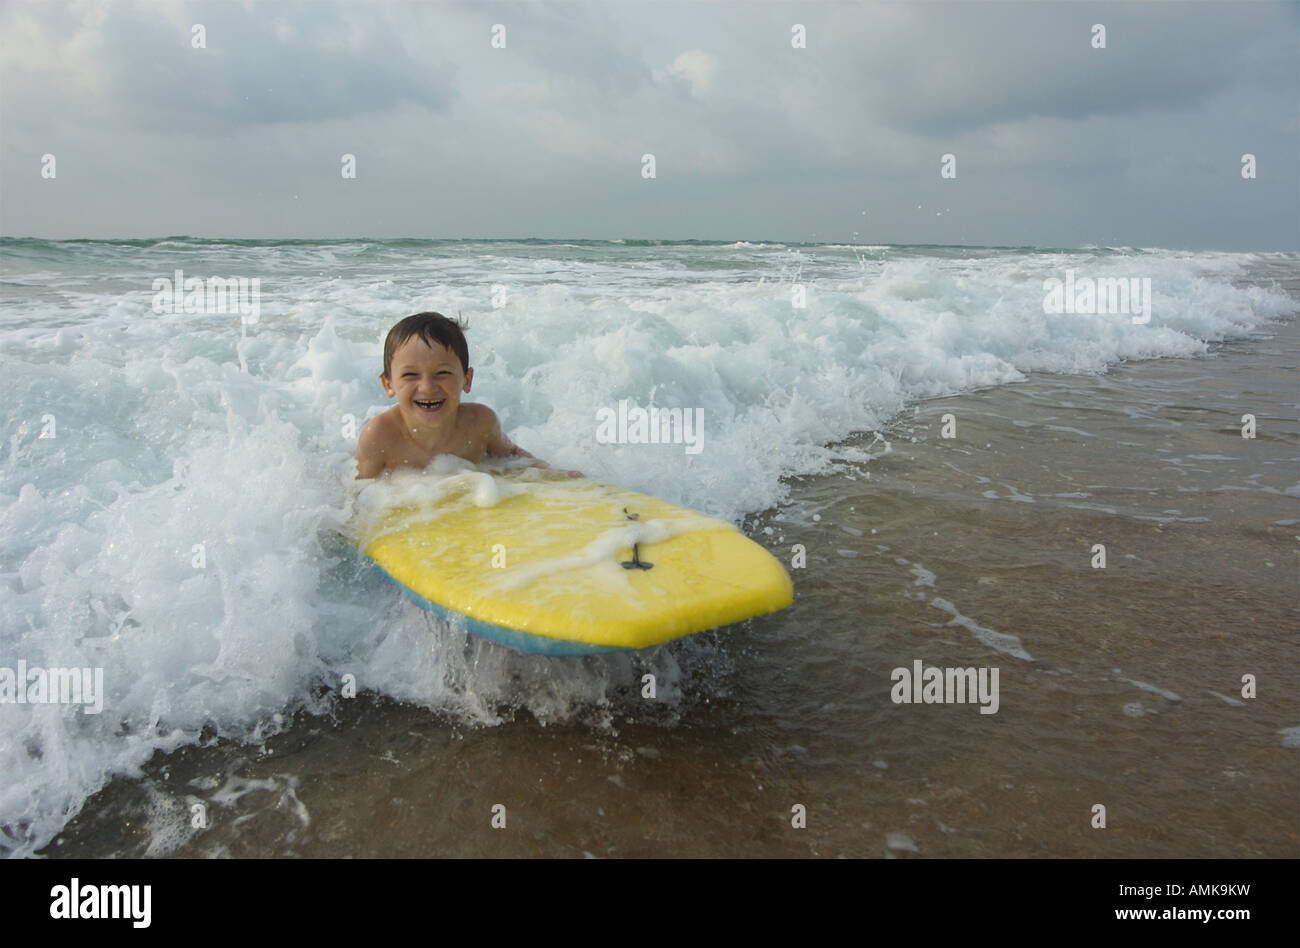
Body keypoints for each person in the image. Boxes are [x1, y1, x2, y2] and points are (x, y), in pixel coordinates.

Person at [355, 311, 581, 479]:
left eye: (442, 373)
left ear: (467, 379)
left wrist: (552, 474)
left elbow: (512, 456)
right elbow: (360, 492)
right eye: (411, 375)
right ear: (388, 384)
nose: (427, 387)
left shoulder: (480, 423)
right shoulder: (380, 436)